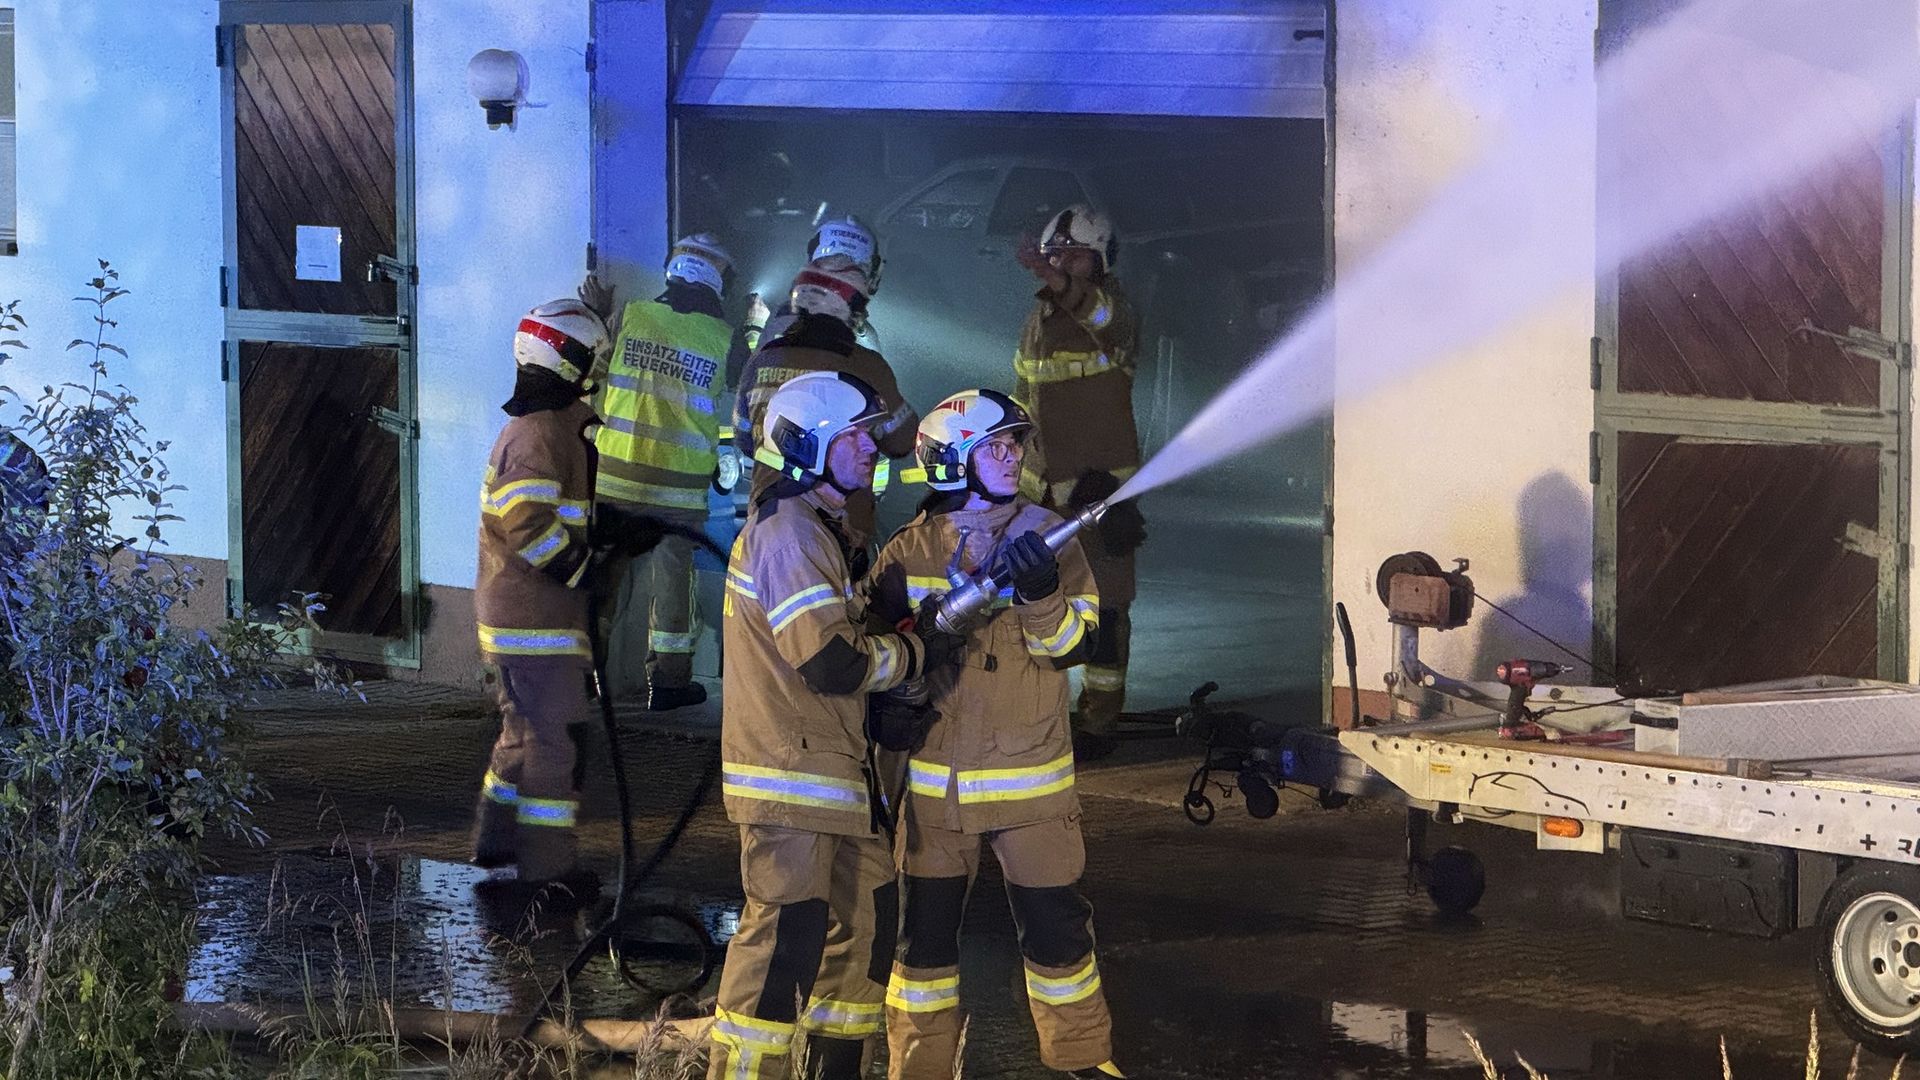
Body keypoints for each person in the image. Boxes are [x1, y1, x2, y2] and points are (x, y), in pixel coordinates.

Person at [864, 390, 1128, 1080]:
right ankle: (918, 1068)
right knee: (921, 949)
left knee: (1058, 938)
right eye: (996, 447)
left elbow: (1073, 647)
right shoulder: (909, 549)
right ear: (953, 460)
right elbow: (874, 654)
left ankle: (1083, 1060)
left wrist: (1041, 594)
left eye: (1017, 445)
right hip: (935, 792)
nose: (1015, 458)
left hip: (1030, 787)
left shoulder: (1051, 537)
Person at [706, 371, 963, 1080]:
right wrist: (916, 653)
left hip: (834, 777)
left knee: (867, 929)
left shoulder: (821, 530)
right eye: (853, 436)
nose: (870, 448)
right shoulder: (788, 535)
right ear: (806, 445)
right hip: (791, 779)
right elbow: (828, 662)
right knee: (782, 948)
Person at [468, 299, 613, 900]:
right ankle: (547, 870)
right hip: (537, 620)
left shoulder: (545, 426)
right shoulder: (537, 434)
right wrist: (582, 570)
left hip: (522, 617)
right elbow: (528, 524)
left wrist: (613, 532)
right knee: (556, 743)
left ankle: (497, 839)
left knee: (521, 732)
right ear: (571, 361)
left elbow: (559, 511)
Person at [577, 233, 739, 712]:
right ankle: (669, 684)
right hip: (679, 492)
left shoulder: (629, 317)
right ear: (717, 283)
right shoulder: (723, 339)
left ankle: (582, 678)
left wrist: (598, 315)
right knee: (673, 586)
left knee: (605, 579)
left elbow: (590, 372)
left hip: (615, 479)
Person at [1011, 204, 1146, 761]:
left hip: (1100, 492)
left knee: (1106, 613)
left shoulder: (1114, 310)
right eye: (1054, 253)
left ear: (1102, 260)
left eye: (1075, 255)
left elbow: (1101, 316)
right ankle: (1037, 716)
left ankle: (1097, 725)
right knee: (1032, 606)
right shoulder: (1039, 319)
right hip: (1039, 492)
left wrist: (1050, 274)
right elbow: (1025, 397)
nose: (1061, 263)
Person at [733, 256, 917, 552]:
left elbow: (744, 440)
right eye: (858, 305)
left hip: (766, 525)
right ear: (842, 305)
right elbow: (902, 442)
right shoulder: (868, 366)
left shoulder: (762, 359)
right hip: (840, 530)